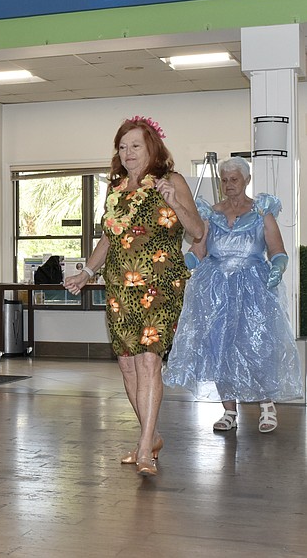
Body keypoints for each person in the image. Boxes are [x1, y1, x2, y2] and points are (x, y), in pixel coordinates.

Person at [64, 115, 203, 477]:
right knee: (127, 363)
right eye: (122, 147)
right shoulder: (116, 189)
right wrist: (87, 273)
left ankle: (144, 448)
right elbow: (109, 238)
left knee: (147, 361)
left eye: (135, 145)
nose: (127, 153)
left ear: (152, 147)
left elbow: (198, 231)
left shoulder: (172, 182)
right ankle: (151, 435)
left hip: (159, 284)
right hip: (119, 286)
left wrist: (175, 203)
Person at [164, 156, 302, 433]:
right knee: (221, 348)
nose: (228, 185)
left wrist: (278, 266)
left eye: (234, 179)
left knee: (258, 346)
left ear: (247, 180)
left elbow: (278, 250)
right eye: (224, 180)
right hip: (215, 291)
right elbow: (198, 252)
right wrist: (178, 269)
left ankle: (266, 405)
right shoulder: (211, 214)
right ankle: (229, 410)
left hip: (254, 290)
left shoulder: (263, 212)